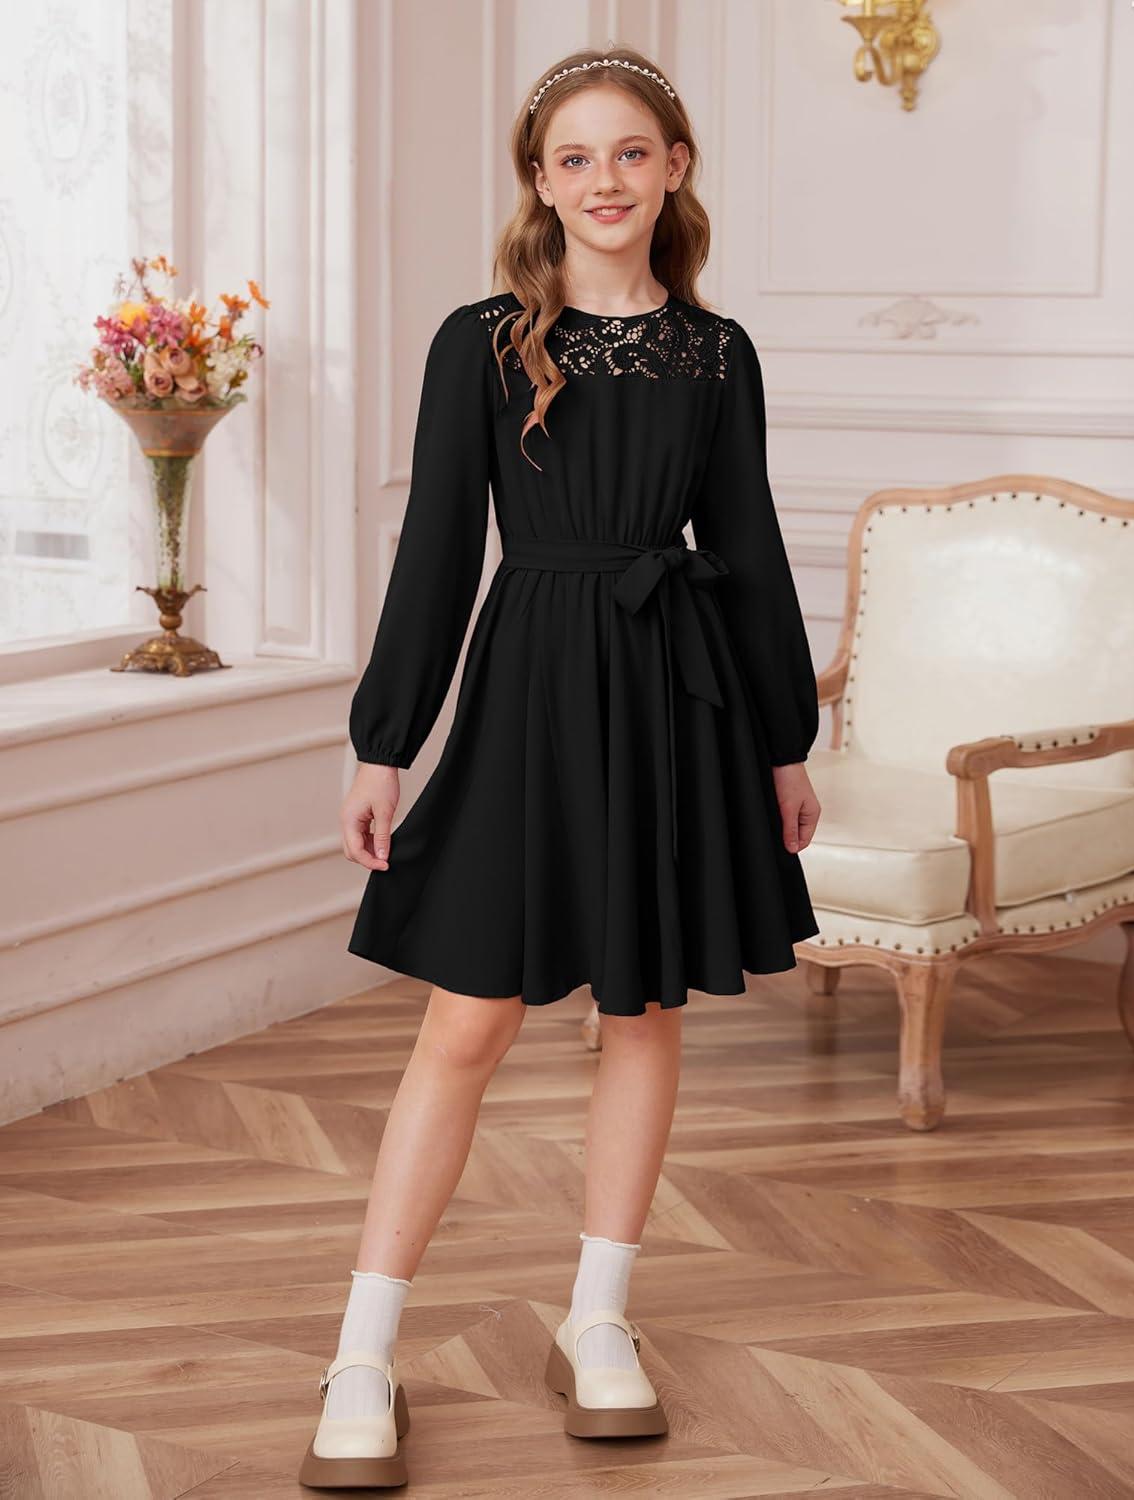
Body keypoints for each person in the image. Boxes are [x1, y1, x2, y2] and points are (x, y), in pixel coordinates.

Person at [299, 43, 823, 1490]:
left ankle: (598, 1320)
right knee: (467, 1022)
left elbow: (750, 547)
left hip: (674, 695)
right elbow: (434, 548)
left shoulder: (717, 352)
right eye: (574, 158)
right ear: (539, 181)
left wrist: (784, 739)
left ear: (675, 167)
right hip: (529, 687)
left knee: (642, 1013)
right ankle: (362, 1350)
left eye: (630, 152)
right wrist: (383, 743)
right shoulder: (479, 341)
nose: (604, 179)